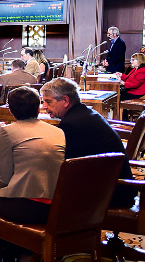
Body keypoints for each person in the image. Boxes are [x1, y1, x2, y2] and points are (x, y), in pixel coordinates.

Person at [0, 86, 66, 262]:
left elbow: (4, 179)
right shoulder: (57, 131)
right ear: (38, 107)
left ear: (10, 109)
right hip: (58, 207)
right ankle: (15, 248)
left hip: (30, 207)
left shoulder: (8, 132)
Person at [40, 78, 136, 208]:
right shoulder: (84, 113)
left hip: (111, 193)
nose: (44, 106)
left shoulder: (72, 124)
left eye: (48, 102)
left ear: (66, 101)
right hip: (115, 185)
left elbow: (62, 165)